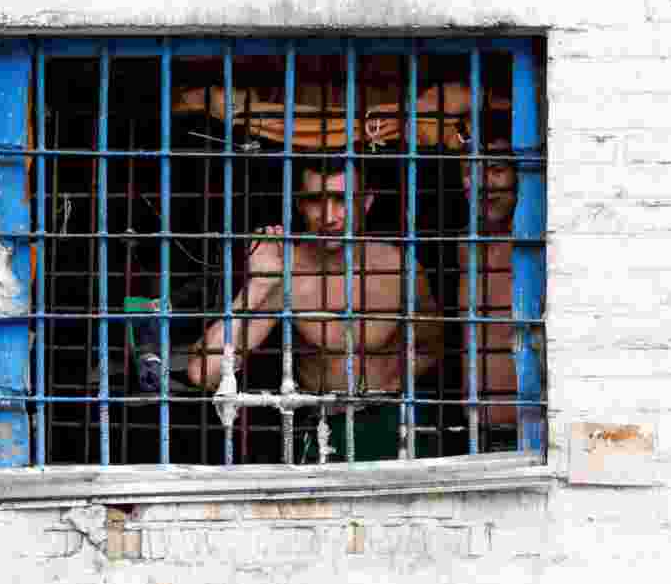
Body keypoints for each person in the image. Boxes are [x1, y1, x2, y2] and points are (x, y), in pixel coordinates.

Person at [185, 156, 443, 461]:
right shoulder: (287, 270)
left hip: (398, 423)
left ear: (367, 202)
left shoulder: (399, 268)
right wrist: (258, 284)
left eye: (341, 200)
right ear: (298, 204)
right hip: (325, 431)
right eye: (315, 201)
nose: (329, 216)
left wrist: (387, 386)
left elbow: (434, 348)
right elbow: (204, 373)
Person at [457, 139, 519, 441]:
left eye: (496, 169)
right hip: (472, 429)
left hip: (529, 431)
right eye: (470, 170)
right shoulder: (464, 247)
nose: (483, 183)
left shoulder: (538, 248)